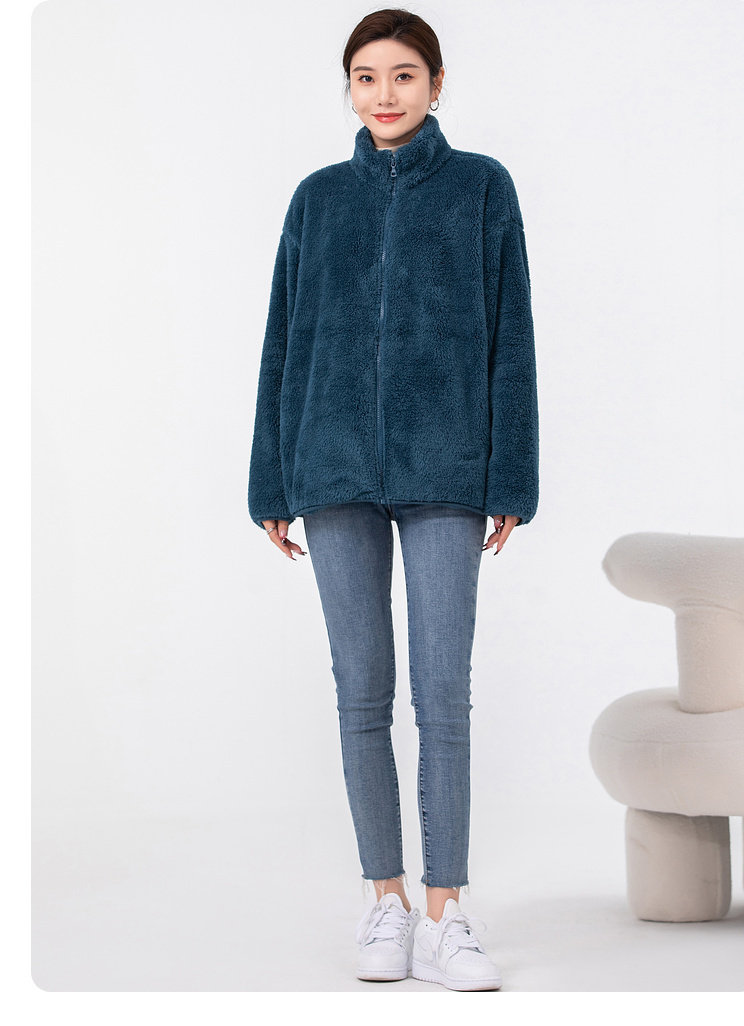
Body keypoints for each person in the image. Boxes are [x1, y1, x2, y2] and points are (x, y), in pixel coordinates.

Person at [247, 8, 538, 992]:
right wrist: (271, 479)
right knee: (361, 693)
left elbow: (511, 339)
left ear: (436, 83)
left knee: (443, 695)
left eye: (404, 74)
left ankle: (448, 915)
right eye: (366, 76)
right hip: (330, 469)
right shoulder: (317, 199)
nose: (384, 93)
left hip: (447, 468)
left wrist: (511, 477)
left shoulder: (482, 188)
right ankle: (386, 900)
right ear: (350, 87)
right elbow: (282, 341)